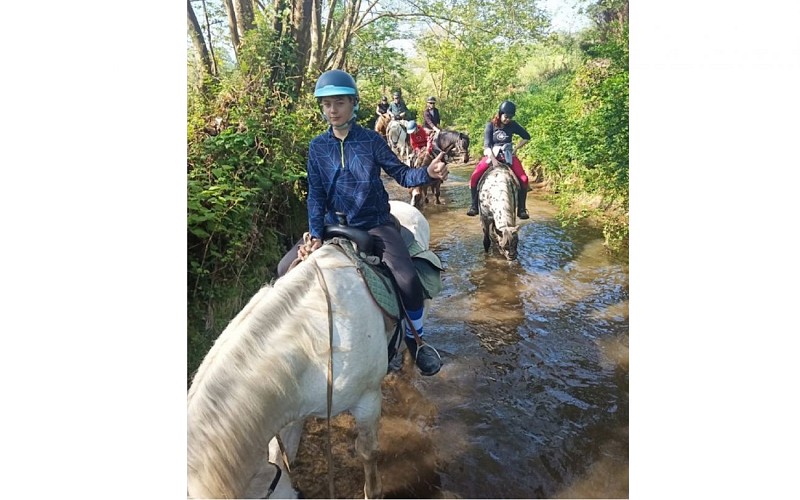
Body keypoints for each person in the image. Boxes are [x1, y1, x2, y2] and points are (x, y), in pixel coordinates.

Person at [276, 69, 448, 376]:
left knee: (408, 280)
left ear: (353, 103)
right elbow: (315, 193)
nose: (332, 110)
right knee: (282, 270)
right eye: (327, 104)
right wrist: (315, 234)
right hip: (331, 225)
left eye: (339, 102)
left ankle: (416, 340)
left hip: (374, 224)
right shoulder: (317, 147)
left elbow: (403, 174)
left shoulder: (371, 141)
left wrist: (428, 174)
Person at [466, 100, 531, 219]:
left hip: (508, 154)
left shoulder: (513, 125)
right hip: (492, 154)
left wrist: (516, 148)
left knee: (524, 179)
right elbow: (486, 146)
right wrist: (493, 161)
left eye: (510, 117)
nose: (508, 119)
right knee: (474, 177)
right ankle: (474, 206)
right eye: (506, 116)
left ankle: (521, 208)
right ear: (500, 114)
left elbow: (527, 137)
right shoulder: (490, 125)